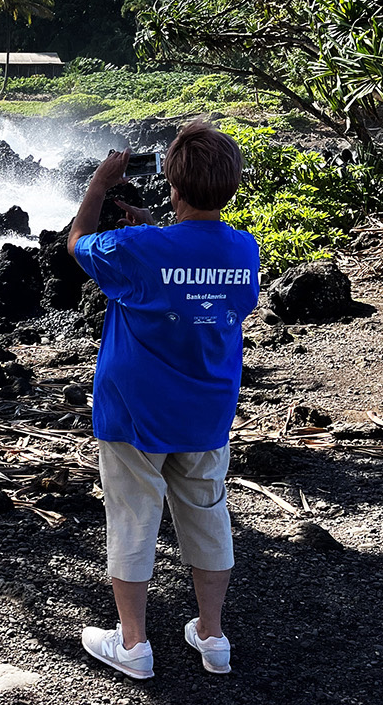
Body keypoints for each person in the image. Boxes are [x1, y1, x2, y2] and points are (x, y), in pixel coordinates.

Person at [67, 122, 260, 681]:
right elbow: (214, 294)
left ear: (172, 185)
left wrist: (100, 186)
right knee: (207, 516)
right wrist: (163, 237)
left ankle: (134, 645)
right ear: (231, 186)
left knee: (132, 516)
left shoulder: (139, 249)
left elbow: (78, 244)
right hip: (207, 409)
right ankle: (213, 636)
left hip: (134, 410)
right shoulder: (243, 249)